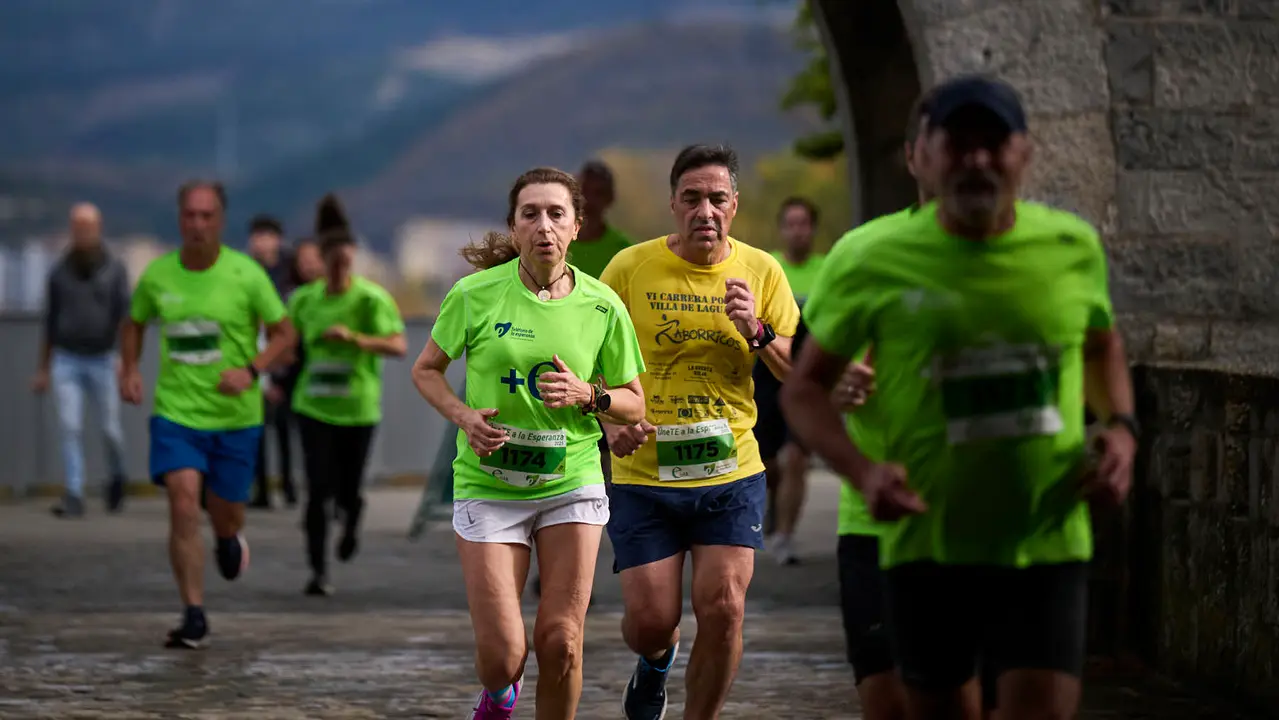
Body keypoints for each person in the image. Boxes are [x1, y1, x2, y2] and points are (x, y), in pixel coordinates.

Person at [782, 75, 1137, 719]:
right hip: (926, 542)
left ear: (1025, 153)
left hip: (1044, 536)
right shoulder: (871, 258)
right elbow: (804, 388)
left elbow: (1101, 343)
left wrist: (1121, 427)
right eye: (958, 143)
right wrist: (863, 473)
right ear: (923, 155)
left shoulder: (1071, 247)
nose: (976, 158)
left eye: (993, 142)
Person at [410, 167, 647, 720]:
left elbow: (635, 402)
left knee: (561, 642)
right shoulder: (474, 295)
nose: (544, 226)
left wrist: (590, 394)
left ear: (576, 226)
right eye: (530, 214)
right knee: (503, 657)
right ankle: (499, 695)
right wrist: (464, 416)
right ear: (513, 226)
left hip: (572, 480)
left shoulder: (602, 305)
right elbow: (426, 370)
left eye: (556, 214)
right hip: (490, 484)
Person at [599, 144, 800, 720]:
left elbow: (797, 371)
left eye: (716, 199)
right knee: (649, 623)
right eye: (691, 198)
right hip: (645, 476)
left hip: (731, 472)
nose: (704, 211)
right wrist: (608, 423)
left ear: (734, 205)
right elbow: (589, 358)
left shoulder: (762, 272)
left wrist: (756, 330)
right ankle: (656, 659)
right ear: (673, 204)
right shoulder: (629, 269)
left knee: (724, 608)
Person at [119, 180, 296, 649]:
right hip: (177, 415)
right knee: (182, 504)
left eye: (207, 216)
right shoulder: (157, 275)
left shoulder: (246, 274)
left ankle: (227, 537)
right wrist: (129, 368)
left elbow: (285, 334)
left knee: (226, 514)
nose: (197, 224)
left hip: (236, 418)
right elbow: (134, 322)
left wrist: (252, 370)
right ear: (180, 219)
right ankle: (193, 613)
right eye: (190, 215)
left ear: (220, 220)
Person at [290, 195, 406, 597]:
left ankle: (352, 518)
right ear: (322, 259)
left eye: (345, 260)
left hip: (357, 409)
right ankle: (317, 571)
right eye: (333, 260)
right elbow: (284, 341)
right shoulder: (304, 300)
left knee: (348, 490)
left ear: (353, 258)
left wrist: (354, 338)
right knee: (316, 490)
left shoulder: (370, 299)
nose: (340, 267)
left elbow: (398, 345)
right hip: (312, 406)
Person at [530, 158, 634, 598]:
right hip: (552, 381)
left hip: (603, 387)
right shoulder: (554, 246)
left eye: (597, 192)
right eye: (583, 192)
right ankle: (554, 568)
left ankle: (586, 567)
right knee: (549, 478)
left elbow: (627, 327)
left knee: (602, 480)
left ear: (608, 199)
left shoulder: (622, 252)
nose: (590, 200)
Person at [32, 202, 131, 518]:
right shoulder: (59, 272)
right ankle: (74, 492)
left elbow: (126, 319)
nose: (83, 232)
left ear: (98, 228)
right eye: (78, 226)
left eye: (88, 226)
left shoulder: (114, 269)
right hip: (67, 358)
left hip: (103, 358)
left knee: (110, 428)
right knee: (69, 426)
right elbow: (50, 321)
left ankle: (117, 476)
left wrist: (126, 362)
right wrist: (43, 368)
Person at [754, 196, 824, 564]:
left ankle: (784, 536)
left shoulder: (827, 270)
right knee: (767, 463)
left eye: (804, 224)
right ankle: (773, 503)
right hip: (767, 376)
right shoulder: (768, 268)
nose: (798, 231)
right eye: (791, 224)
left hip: (809, 378)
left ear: (813, 229)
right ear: (782, 230)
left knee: (797, 457)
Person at [246, 214, 298, 509]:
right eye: (257, 236)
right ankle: (262, 488)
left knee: (284, 427)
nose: (260, 242)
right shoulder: (247, 271)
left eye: (266, 236)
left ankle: (289, 485)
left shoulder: (289, 272)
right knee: (258, 427)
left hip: (286, 359)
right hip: (257, 356)